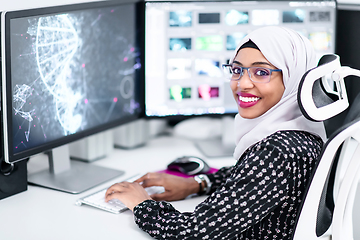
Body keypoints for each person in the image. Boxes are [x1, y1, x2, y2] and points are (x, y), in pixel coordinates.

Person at [105, 26, 327, 239]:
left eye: (261, 72)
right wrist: (197, 183)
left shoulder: (277, 151)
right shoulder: (301, 131)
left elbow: (197, 233)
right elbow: (250, 177)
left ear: (294, 78)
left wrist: (142, 204)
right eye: (237, 70)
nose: (243, 83)